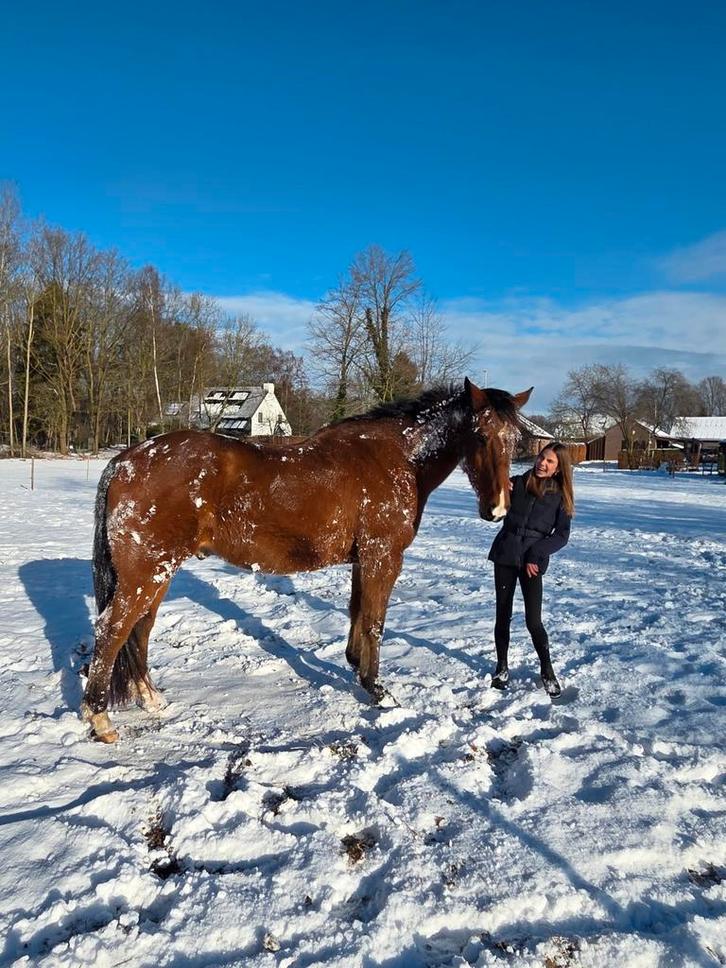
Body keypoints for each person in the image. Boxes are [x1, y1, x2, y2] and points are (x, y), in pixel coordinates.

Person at [487, 442, 574, 698]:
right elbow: (493, 510)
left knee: (533, 621)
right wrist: (500, 491)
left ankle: (547, 670)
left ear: (558, 469)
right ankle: (501, 667)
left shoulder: (561, 497)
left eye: (549, 462)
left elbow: (561, 536)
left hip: (531, 561)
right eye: (541, 457)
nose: (542, 463)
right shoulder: (517, 483)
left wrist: (537, 554)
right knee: (502, 614)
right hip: (506, 552)